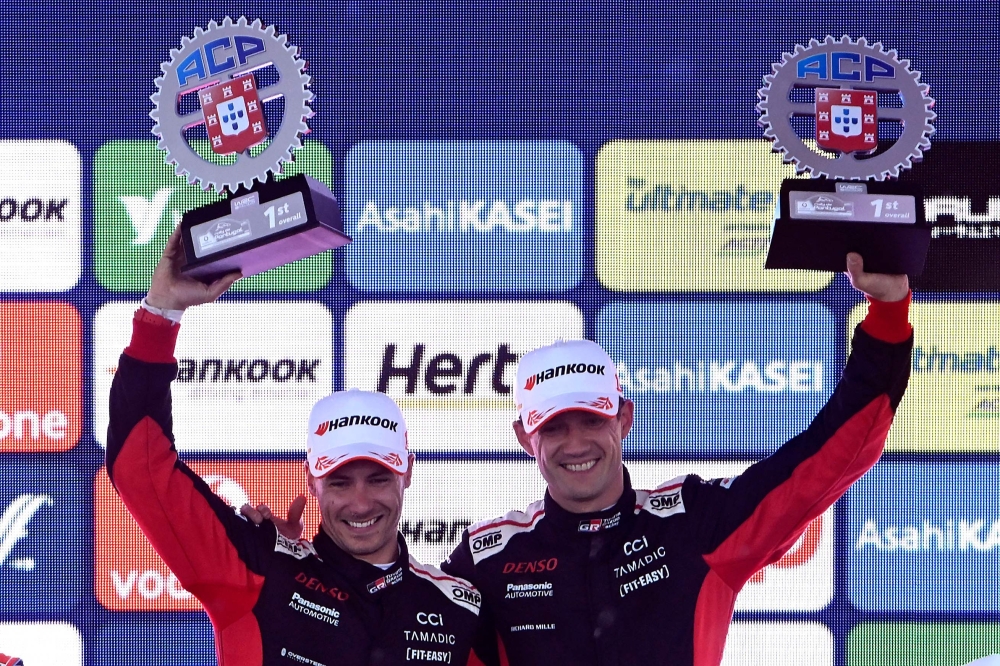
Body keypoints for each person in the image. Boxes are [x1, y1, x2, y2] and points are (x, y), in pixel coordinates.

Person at [254, 253, 911, 665]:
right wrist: (303, 565)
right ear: (524, 439)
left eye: (590, 421)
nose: (574, 445)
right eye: (553, 428)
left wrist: (887, 313)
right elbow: (389, 628)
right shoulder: (486, 560)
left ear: (623, 419)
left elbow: (829, 456)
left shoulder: (694, 524)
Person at [107, 229, 486, 666]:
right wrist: (162, 311)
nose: (360, 503)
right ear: (311, 479)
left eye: (378, 478)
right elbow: (141, 468)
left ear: (408, 472)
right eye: (340, 481)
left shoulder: (460, 609)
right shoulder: (262, 568)